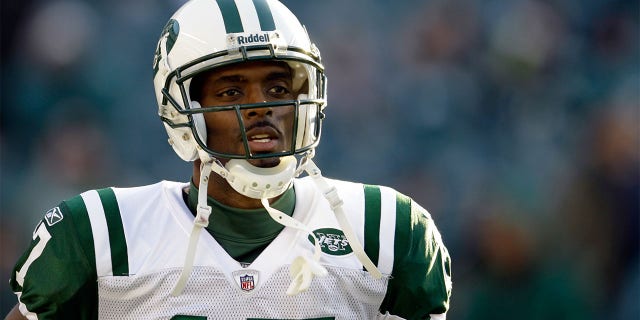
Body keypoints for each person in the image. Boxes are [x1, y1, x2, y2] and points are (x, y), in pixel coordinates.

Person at [6, 0, 452, 319]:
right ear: (182, 112)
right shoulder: (99, 235)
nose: (262, 109)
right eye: (232, 92)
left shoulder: (386, 231)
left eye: (279, 89)